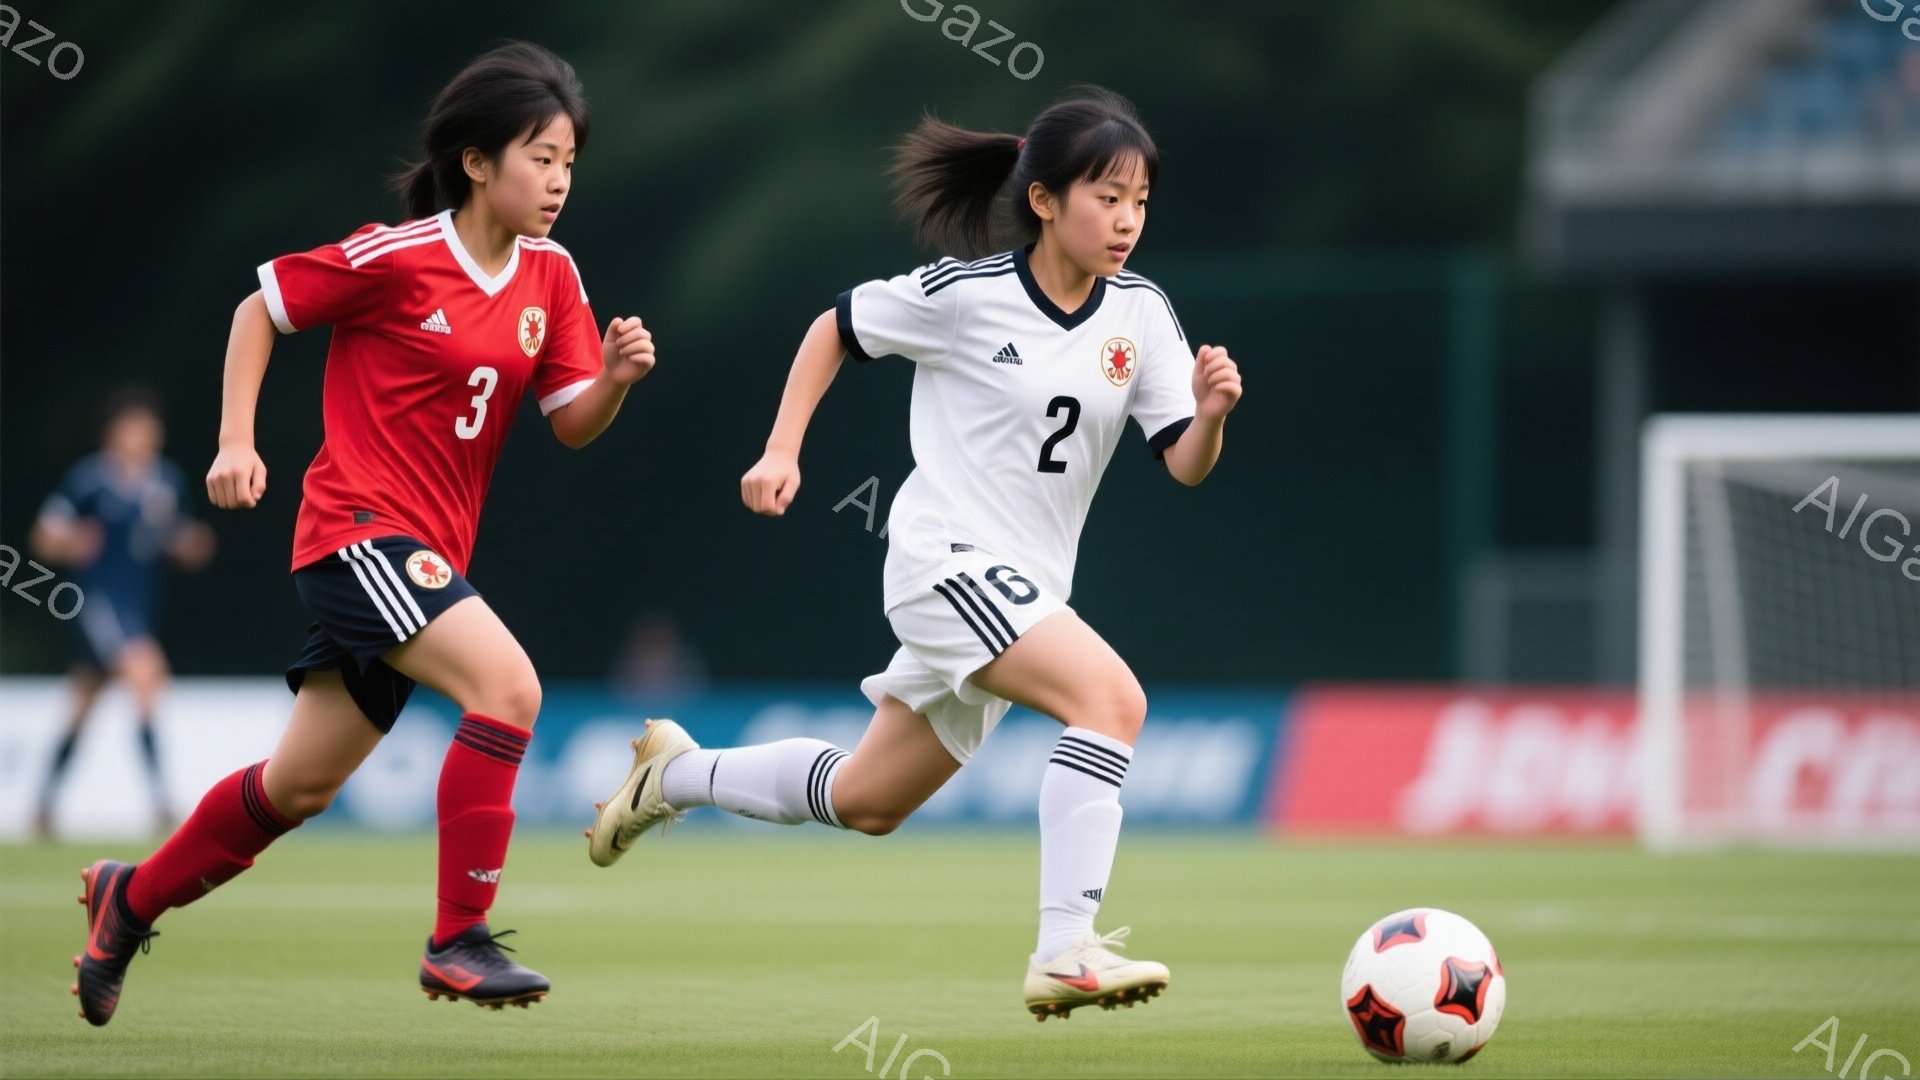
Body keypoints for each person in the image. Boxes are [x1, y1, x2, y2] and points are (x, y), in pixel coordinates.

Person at [586, 87, 1242, 1020]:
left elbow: (1184, 466)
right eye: (1107, 195)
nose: (1127, 218)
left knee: (868, 800)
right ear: (1046, 199)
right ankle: (1064, 950)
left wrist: (1210, 417)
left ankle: (674, 775)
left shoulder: (1141, 315)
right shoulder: (966, 294)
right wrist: (783, 449)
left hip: (1027, 590)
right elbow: (835, 329)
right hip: (946, 563)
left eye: (1140, 199)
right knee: (1112, 700)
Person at [69, 41, 657, 1027]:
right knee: (510, 687)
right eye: (539, 157)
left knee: (296, 788)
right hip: (357, 535)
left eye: (568, 162)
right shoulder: (400, 256)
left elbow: (570, 423)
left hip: (425, 556)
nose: (558, 181)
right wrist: (234, 441)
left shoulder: (552, 277)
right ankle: (457, 939)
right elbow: (261, 308)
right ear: (475, 161)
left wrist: (616, 383)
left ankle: (127, 900)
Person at [31, 388, 215, 839]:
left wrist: (187, 544)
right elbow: (45, 537)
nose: (144, 436)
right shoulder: (90, 480)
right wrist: (69, 542)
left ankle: (43, 806)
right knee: (148, 673)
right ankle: (163, 803)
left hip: (138, 605)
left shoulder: (164, 482)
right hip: (97, 603)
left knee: (83, 704)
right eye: (134, 428)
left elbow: (171, 536)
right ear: (114, 433)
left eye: (150, 429)